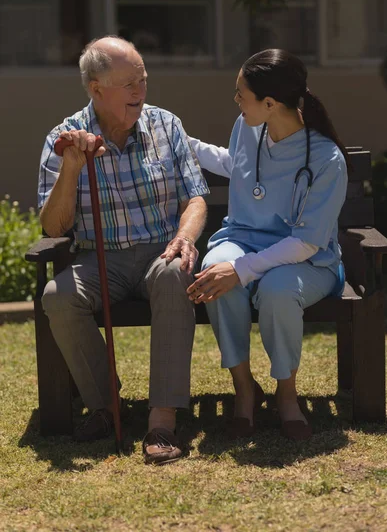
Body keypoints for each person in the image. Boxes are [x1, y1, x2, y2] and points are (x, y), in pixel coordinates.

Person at [39, 36, 208, 464]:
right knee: (57, 297)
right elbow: (53, 226)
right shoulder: (64, 138)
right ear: (96, 89)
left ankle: (162, 423)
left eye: (143, 80)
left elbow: (196, 199)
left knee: (173, 274)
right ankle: (105, 405)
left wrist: (185, 237)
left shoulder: (166, 125)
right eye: (129, 84)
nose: (140, 91)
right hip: (100, 260)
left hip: (160, 252)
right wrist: (72, 171)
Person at [187, 48, 349, 441]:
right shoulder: (247, 127)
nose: (236, 100)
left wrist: (243, 270)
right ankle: (245, 390)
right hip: (241, 240)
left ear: (271, 103)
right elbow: (235, 164)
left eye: (241, 93)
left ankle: (287, 396)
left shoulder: (327, 160)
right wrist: (182, 141)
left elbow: (307, 244)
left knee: (276, 290)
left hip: (306, 260)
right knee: (215, 273)